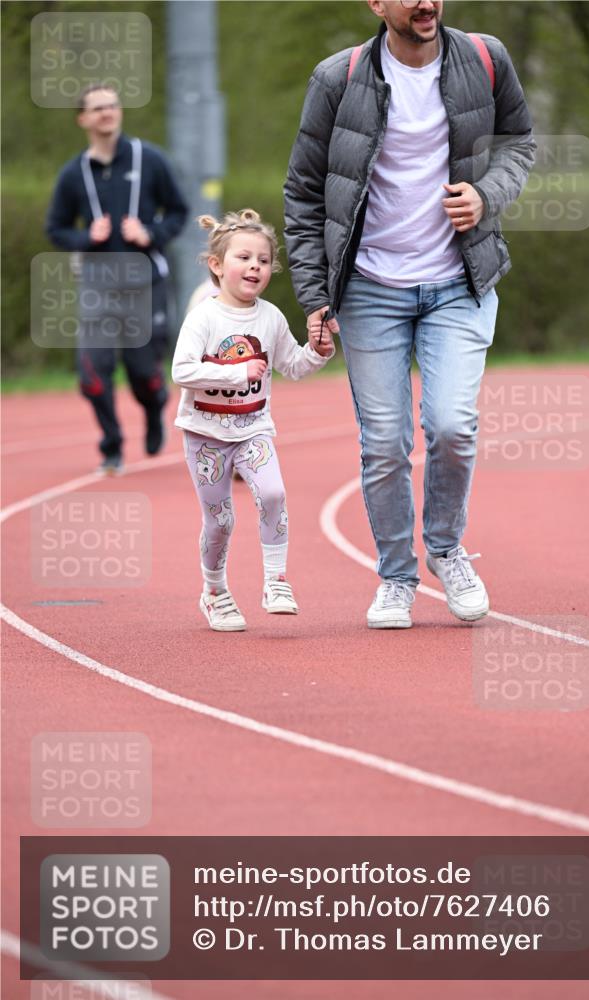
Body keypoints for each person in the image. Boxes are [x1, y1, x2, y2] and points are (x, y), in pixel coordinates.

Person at [284, 0, 535, 629]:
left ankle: (446, 549)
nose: (425, 2)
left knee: (452, 426)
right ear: (376, 4)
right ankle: (396, 577)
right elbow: (304, 191)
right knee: (384, 446)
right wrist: (316, 296)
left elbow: (520, 143)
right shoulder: (336, 79)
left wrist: (486, 193)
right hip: (369, 289)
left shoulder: (484, 57)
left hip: (459, 281)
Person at [171, 210, 334, 632]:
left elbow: (293, 366)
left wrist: (318, 350)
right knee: (220, 520)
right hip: (205, 434)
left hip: (253, 429)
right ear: (217, 265)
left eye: (262, 260)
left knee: (274, 493)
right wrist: (235, 372)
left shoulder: (271, 318)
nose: (254, 267)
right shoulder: (203, 317)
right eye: (243, 258)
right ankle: (214, 591)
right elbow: (181, 371)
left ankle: (276, 581)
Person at [46, 83, 188, 474]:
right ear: (83, 119)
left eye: (112, 105)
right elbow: (55, 228)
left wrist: (150, 233)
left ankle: (154, 407)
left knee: (144, 373)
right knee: (92, 376)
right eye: (97, 108)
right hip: (97, 287)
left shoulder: (150, 159)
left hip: (146, 286)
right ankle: (111, 447)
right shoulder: (73, 174)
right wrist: (83, 238)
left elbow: (178, 210)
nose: (107, 112)